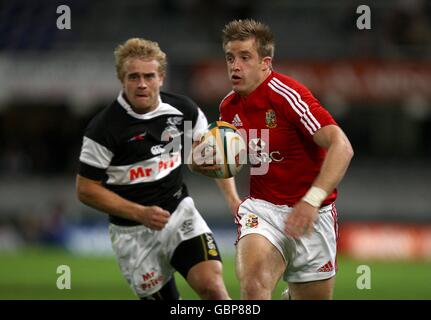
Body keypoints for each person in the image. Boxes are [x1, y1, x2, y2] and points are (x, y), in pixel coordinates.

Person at [192, 19, 354, 300]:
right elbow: (224, 156)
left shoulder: (288, 96)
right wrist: (229, 195)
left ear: (265, 63)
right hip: (262, 211)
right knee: (254, 287)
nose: (235, 66)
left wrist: (311, 201)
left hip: (314, 217)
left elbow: (342, 147)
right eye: (230, 58)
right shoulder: (228, 106)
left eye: (245, 57)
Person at [76, 38, 230, 300]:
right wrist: (140, 213)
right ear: (121, 79)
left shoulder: (184, 110)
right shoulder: (104, 128)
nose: (142, 84)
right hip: (132, 233)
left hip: (179, 213)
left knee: (213, 287)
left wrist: (233, 198)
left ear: (161, 77)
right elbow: (86, 190)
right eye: (133, 77)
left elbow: (209, 157)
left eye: (149, 76)